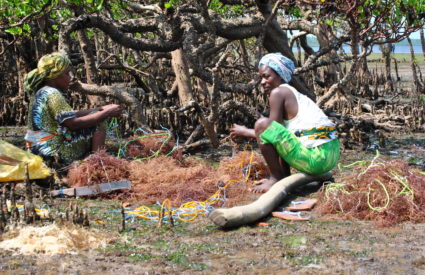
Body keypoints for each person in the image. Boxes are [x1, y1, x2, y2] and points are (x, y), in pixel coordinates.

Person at [230, 53, 340, 193]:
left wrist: (245, 132)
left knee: (262, 124)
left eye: (266, 76)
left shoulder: (278, 93)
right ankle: (283, 177)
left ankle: (275, 179)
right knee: (274, 130)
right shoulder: (292, 93)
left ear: (280, 75)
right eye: (261, 78)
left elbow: (271, 134)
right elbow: (281, 137)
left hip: (317, 159)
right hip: (331, 156)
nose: (262, 82)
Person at [24, 52, 122, 165]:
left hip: (35, 150)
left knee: (97, 115)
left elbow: (68, 114)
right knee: (99, 121)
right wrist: (106, 113)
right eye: (66, 73)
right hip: (53, 153)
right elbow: (73, 124)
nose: (70, 77)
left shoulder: (40, 91)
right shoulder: (53, 94)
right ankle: (98, 162)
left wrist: (99, 109)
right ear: (55, 76)